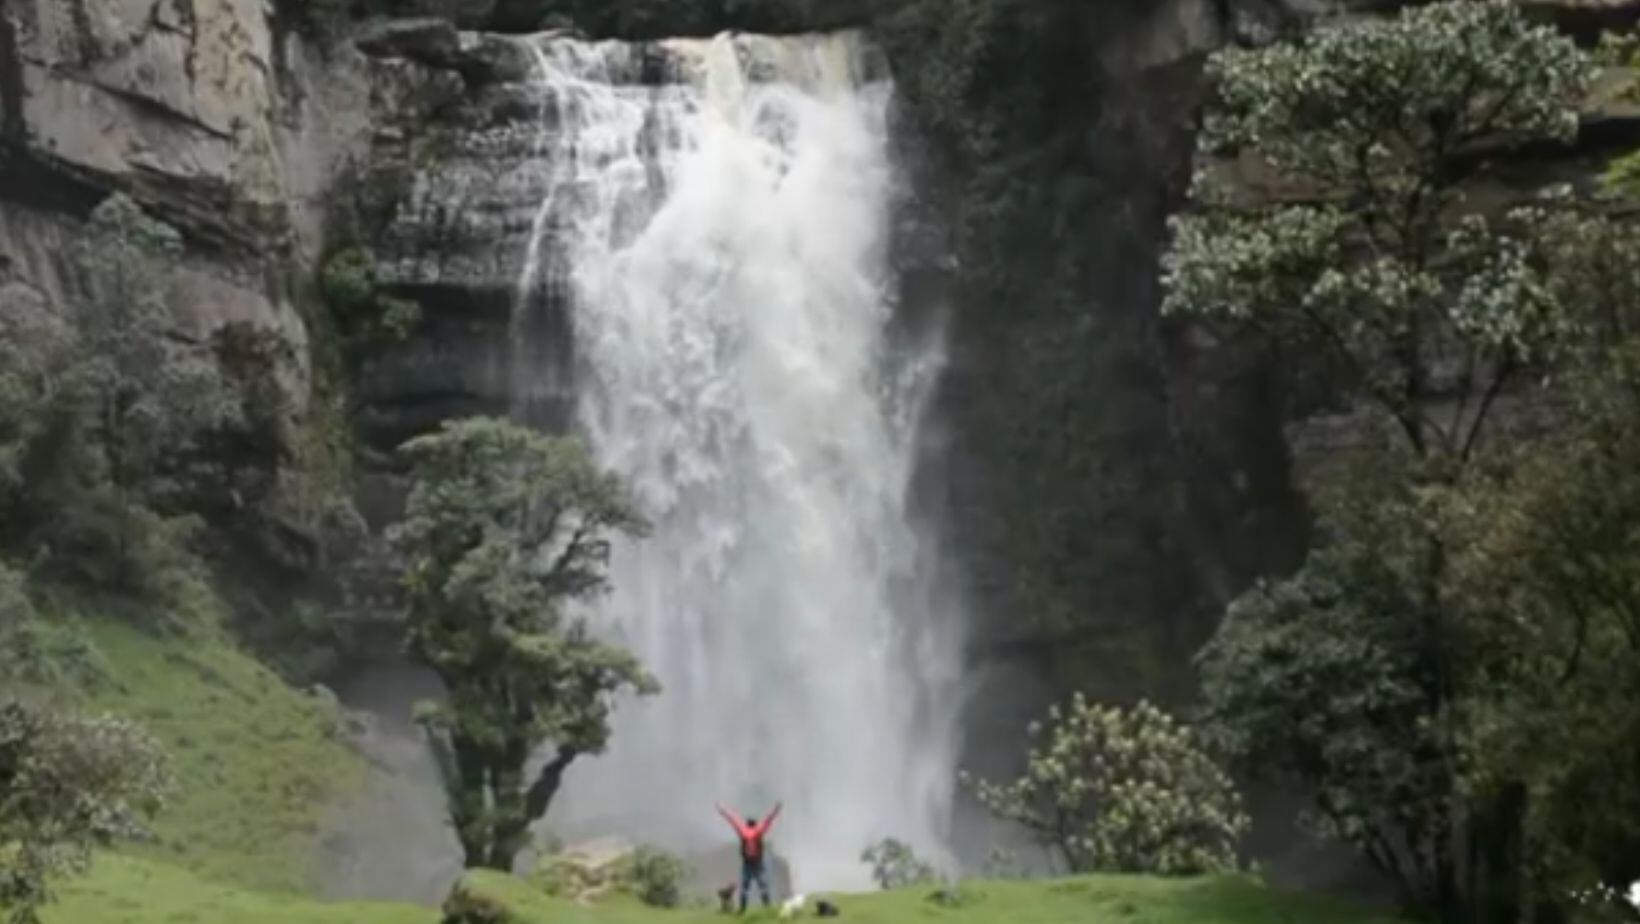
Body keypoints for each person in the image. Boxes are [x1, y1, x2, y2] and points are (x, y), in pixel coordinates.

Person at [716, 801, 782, 913]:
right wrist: (776, 810)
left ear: (747, 824)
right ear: (755, 824)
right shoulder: (758, 831)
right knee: (763, 885)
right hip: (758, 863)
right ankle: (767, 907)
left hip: (747, 863)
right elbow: (768, 820)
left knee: (744, 887)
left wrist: (721, 810)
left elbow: (732, 820)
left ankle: (742, 909)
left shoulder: (743, 831)